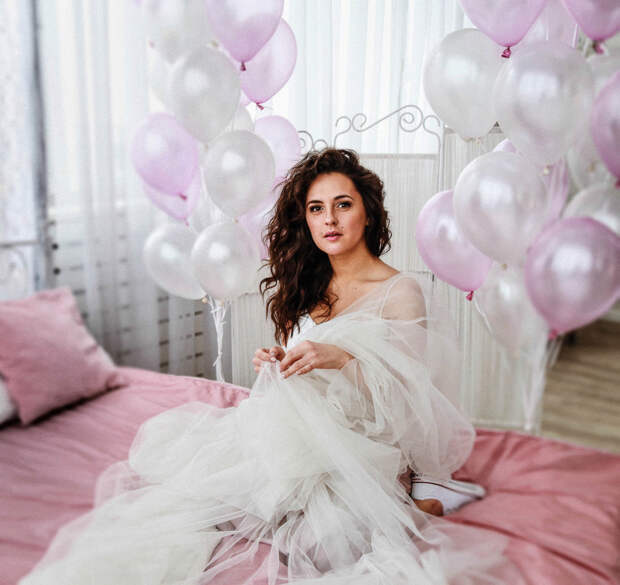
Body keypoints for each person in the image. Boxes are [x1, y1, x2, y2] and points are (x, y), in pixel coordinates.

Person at [20, 148, 523, 585]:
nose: (329, 220)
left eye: (343, 204)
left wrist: (341, 358)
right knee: (201, 498)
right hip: (290, 430)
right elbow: (303, 360)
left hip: (361, 443)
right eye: (316, 209)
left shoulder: (400, 291)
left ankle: (416, 500)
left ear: (368, 213)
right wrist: (277, 359)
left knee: (327, 548)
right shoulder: (308, 284)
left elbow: (406, 401)